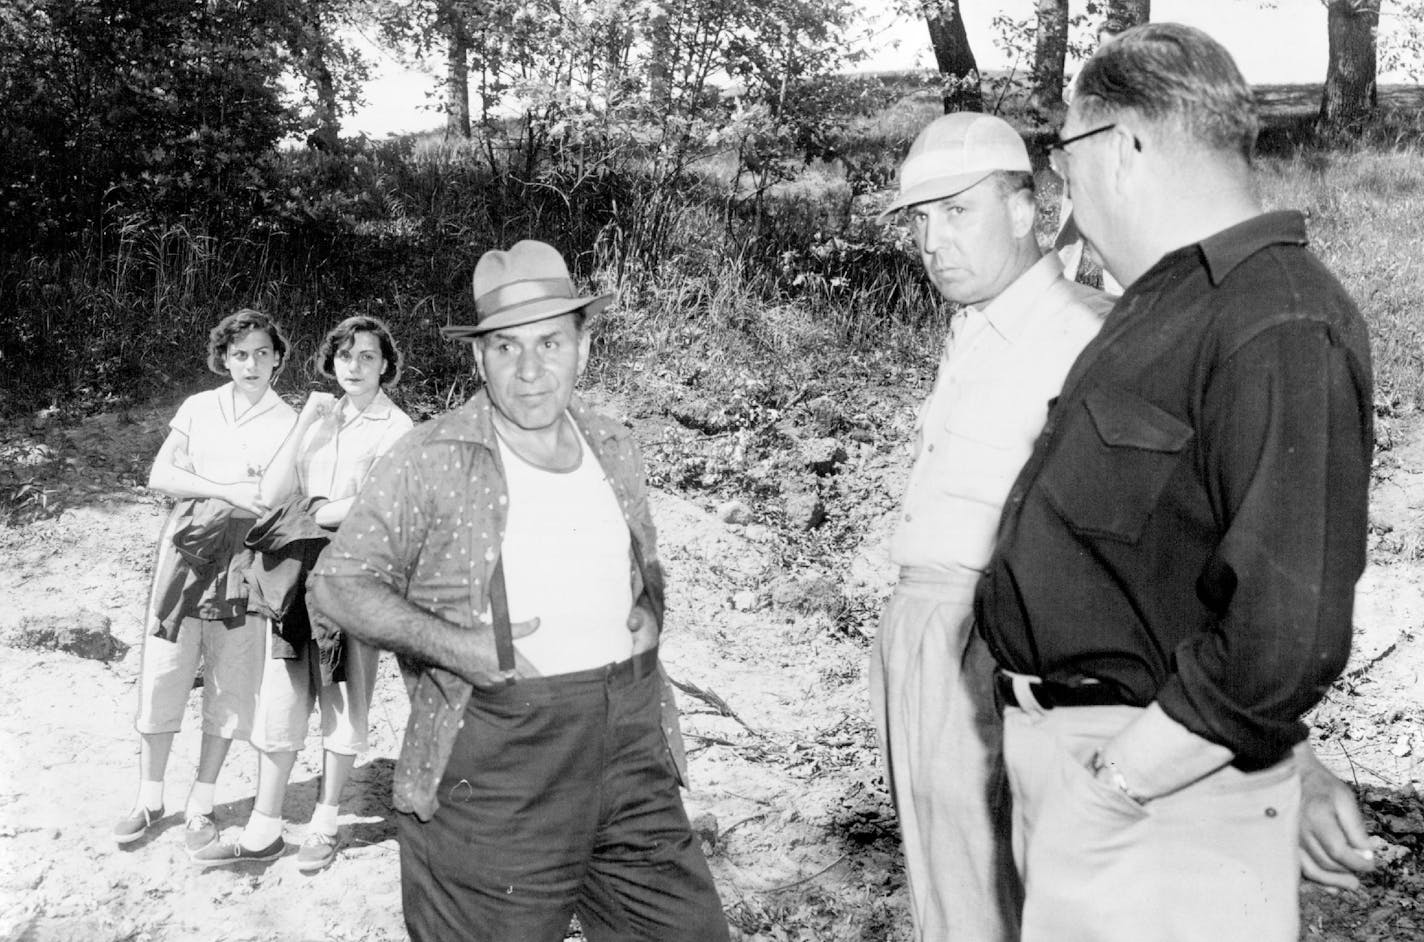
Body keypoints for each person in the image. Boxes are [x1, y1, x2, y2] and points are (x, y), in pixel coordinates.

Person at [974, 23, 1375, 941]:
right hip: (1098, 777)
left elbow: (1289, 635)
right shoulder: (1165, 304)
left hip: (1156, 803)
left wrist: (1113, 786)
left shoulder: (1279, 322)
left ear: (1127, 146)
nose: (1068, 204)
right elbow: (1178, 573)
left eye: (1067, 161)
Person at [306, 240, 728, 941]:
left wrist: (650, 608)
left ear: (583, 349)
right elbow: (337, 584)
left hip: (630, 749)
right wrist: (457, 648)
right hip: (497, 762)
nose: (530, 371)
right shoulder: (430, 458)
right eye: (506, 348)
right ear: (479, 359)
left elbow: (642, 562)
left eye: (551, 343)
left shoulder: (613, 443)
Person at [870, 113, 1111, 941]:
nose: (932, 242)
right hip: (924, 634)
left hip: (996, 640)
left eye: (957, 212)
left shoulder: (1081, 331)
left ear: (1024, 209)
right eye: (920, 220)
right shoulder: (973, 325)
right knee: (947, 881)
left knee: (994, 900)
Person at [191, 316, 415, 871]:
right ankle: (264, 827)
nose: (355, 367)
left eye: (367, 356)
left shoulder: (397, 428)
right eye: (344, 357)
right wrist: (306, 424)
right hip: (293, 577)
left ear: (386, 363)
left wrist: (318, 509)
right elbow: (270, 494)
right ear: (330, 363)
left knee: (343, 693)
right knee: (284, 695)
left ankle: (325, 821)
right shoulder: (318, 418)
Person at [113, 309, 297, 854]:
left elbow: (277, 497)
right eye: (240, 353)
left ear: (278, 359)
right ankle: (149, 797)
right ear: (225, 358)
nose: (252, 363)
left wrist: (235, 496)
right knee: (165, 668)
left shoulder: (289, 421)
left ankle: (202, 802)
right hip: (186, 551)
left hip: (245, 560)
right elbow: (160, 475)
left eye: (263, 352)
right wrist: (228, 489)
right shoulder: (199, 406)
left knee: (230, 677)